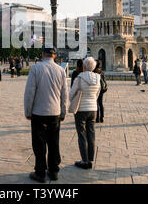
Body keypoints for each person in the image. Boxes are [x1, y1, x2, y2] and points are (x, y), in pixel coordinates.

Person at [24, 47, 68, 183]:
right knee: (54, 142)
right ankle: (54, 170)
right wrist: (63, 111)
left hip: (39, 112)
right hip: (55, 112)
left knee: (39, 144)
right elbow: (64, 94)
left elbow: (30, 92)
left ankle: (40, 172)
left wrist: (28, 111)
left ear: (43, 54)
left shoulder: (36, 69)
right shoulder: (61, 70)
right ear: (54, 56)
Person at [68, 57, 100, 170]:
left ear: (84, 66)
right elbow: (97, 93)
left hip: (81, 109)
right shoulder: (97, 77)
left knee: (81, 134)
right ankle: (90, 159)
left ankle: (84, 160)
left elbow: (71, 94)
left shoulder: (79, 78)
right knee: (91, 134)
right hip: (93, 109)